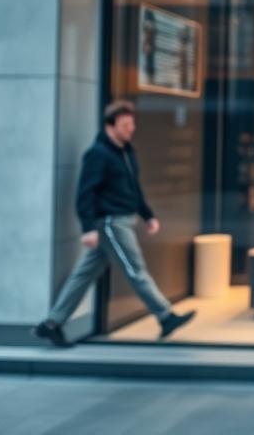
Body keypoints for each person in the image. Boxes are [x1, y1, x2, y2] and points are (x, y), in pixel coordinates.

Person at [33, 101, 195, 347]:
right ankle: (165, 316)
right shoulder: (98, 154)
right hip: (110, 223)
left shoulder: (126, 152)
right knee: (135, 270)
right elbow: (85, 193)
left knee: (84, 274)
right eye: (126, 125)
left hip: (122, 219)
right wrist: (88, 228)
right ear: (111, 126)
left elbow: (133, 188)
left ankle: (52, 324)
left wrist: (147, 215)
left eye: (132, 123)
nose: (132, 129)